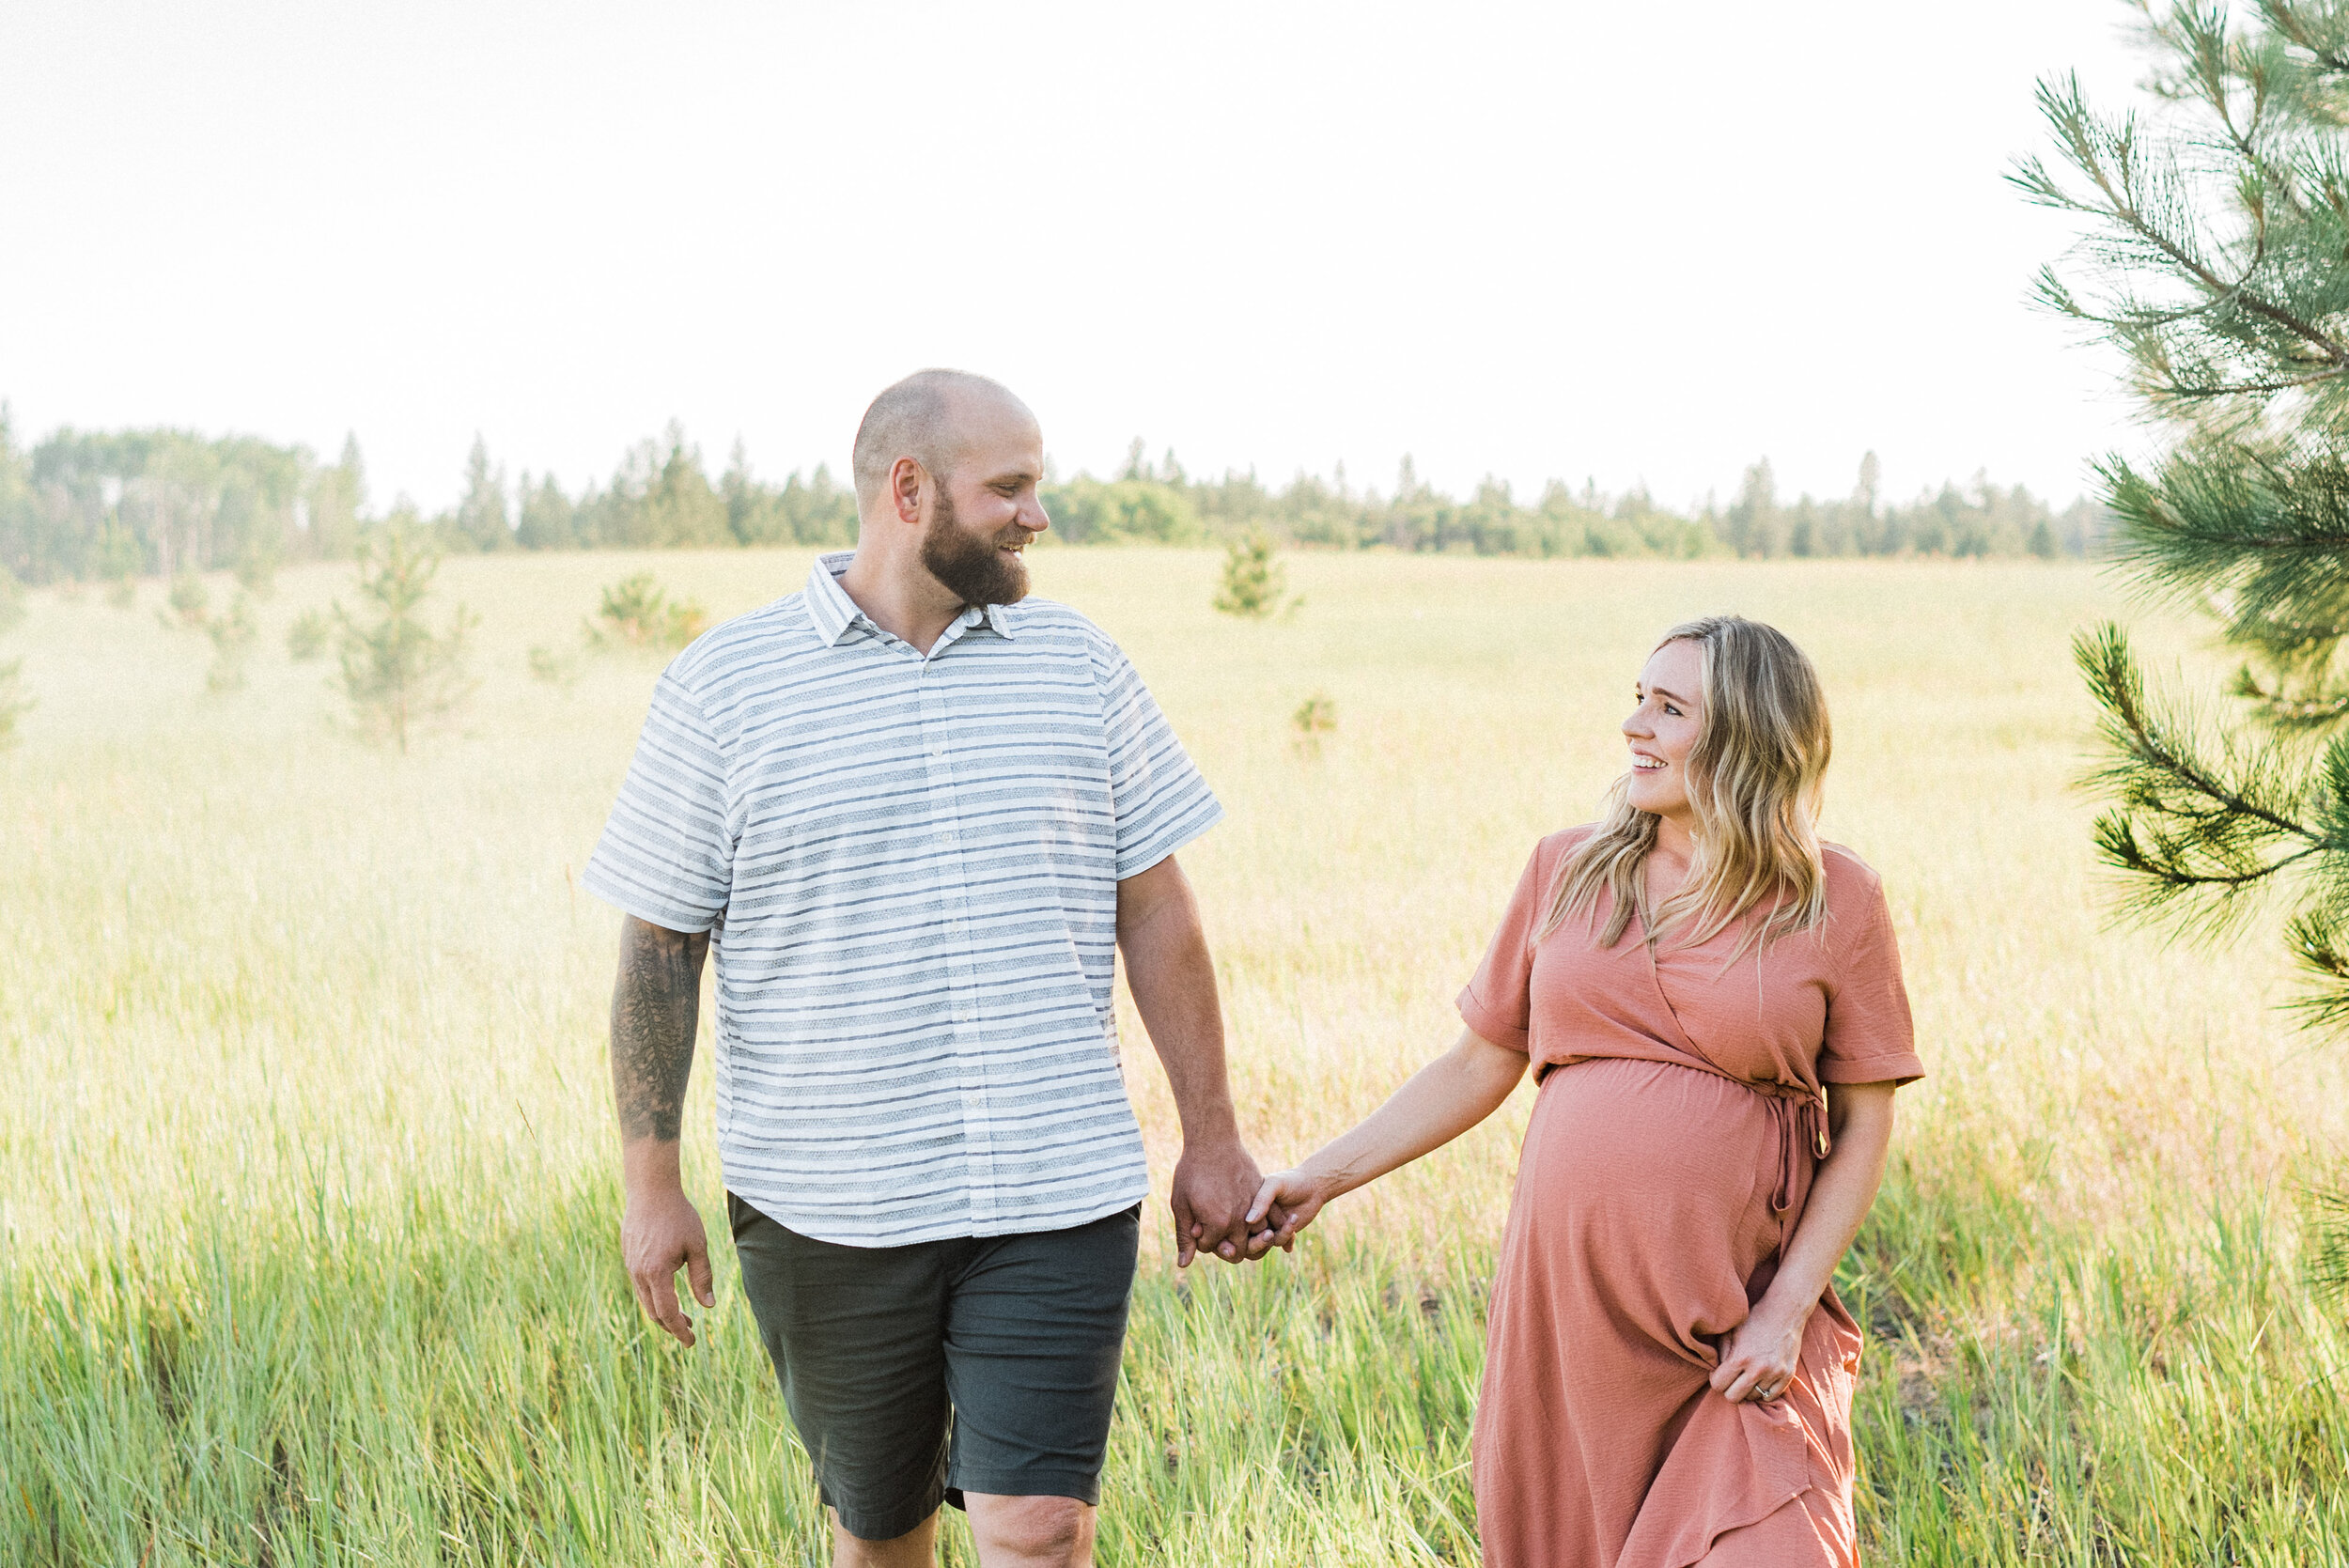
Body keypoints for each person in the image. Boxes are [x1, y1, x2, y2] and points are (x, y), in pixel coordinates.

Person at [584, 368, 1275, 1568]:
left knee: (1041, 1529)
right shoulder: (724, 689)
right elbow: (659, 950)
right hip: (829, 1206)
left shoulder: (1081, 666)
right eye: (1008, 487)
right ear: (909, 490)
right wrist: (652, 1184)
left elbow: (1156, 909)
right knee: (881, 1531)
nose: (1036, 516)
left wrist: (1210, 1133)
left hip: (1056, 1190)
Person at [1248, 615, 1923, 1567]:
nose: (1634, 726)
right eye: (1636, 699)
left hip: (1735, 1322)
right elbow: (1478, 1063)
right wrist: (1320, 1177)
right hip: (1573, 1323)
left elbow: (1862, 1125)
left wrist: (1784, 1312)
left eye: (1669, 707)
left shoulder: (1833, 896)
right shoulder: (1565, 869)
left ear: (1747, 733)